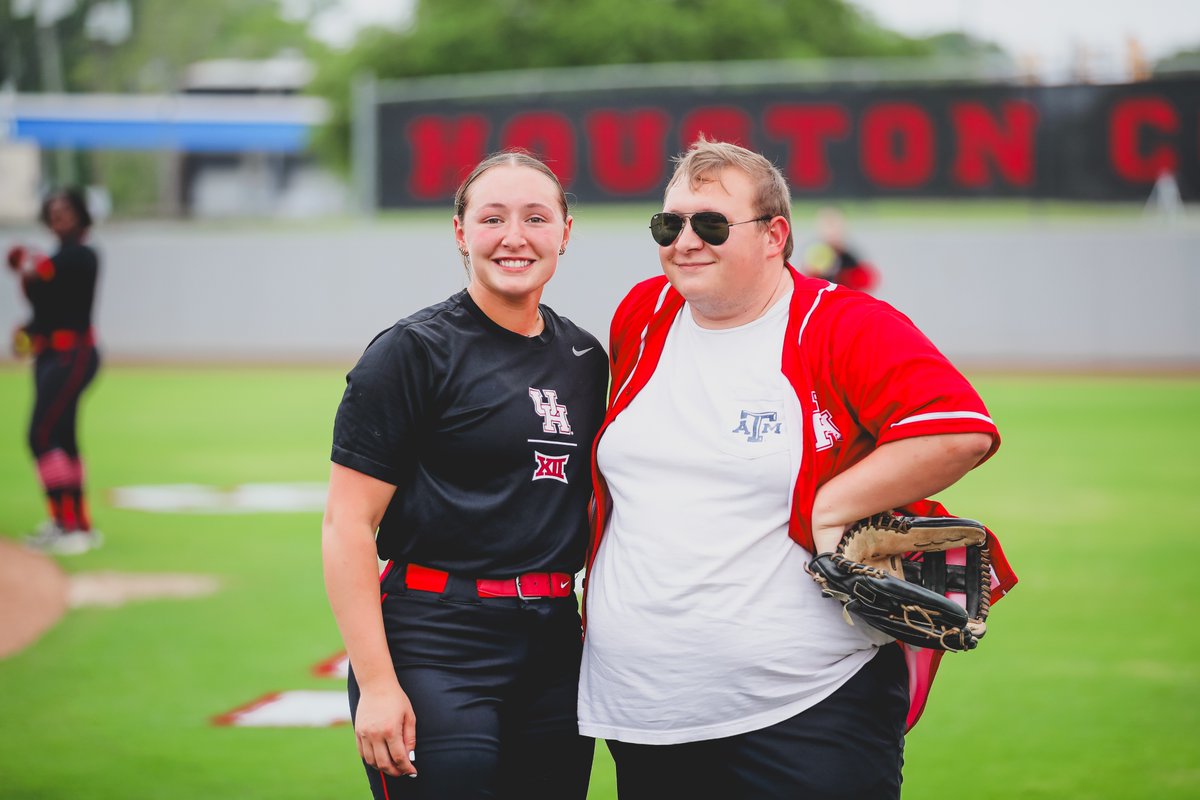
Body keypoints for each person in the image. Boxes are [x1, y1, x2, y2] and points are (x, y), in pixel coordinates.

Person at [578, 139, 1017, 799]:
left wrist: (833, 505)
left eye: (712, 224)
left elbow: (959, 431)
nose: (686, 241)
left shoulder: (842, 322)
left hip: (809, 707)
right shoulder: (643, 314)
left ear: (774, 235)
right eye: (669, 224)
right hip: (646, 713)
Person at [322, 150, 606, 799]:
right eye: (492, 218)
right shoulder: (412, 351)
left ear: (565, 230)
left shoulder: (587, 358)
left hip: (555, 647)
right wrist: (379, 684)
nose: (514, 237)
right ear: (460, 233)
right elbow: (346, 524)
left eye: (536, 217)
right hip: (434, 645)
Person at [6, 188, 103, 555]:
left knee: (40, 434)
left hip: (73, 353)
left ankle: (67, 524)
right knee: (62, 435)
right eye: (53, 211)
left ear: (80, 214)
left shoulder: (82, 256)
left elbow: (55, 275)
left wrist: (28, 262)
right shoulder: (57, 259)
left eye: (66, 210)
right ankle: (75, 523)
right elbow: (47, 308)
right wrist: (28, 333)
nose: (59, 216)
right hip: (52, 354)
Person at [800, 205, 880, 293]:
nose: (832, 231)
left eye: (835, 225)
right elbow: (805, 289)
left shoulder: (850, 258)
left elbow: (868, 283)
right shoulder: (814, 259)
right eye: (827, 225)